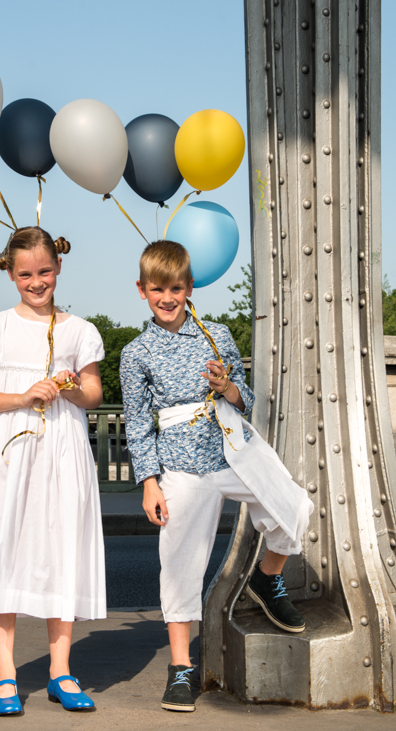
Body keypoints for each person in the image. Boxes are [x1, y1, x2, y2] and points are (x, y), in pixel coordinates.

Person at [120, 240, 313, 714]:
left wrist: (227, 385)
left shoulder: (217, 334)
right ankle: (181, 668)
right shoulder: (136, 352)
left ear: (190, 288)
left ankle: (267, 580)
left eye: (177, 288)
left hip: (231, 452)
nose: (168, 297)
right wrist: (149, 481)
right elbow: (138, 422)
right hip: (181, 466)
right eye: (158, 289)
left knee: (294, 507)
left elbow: (245, 396)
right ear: (142, 290)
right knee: (181, 562)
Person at [0, 226, 106, 717]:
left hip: (61, 449)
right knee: (6, 549)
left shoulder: (80, 330)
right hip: (7, 450)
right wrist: (24, 395)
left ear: (58, 268)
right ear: (10, 274)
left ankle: (61, 671)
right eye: (26, 274)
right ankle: (4, 673)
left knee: (61, 547)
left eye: (44, 271)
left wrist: (67, 389)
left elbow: (94, 395)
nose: (36, 282)